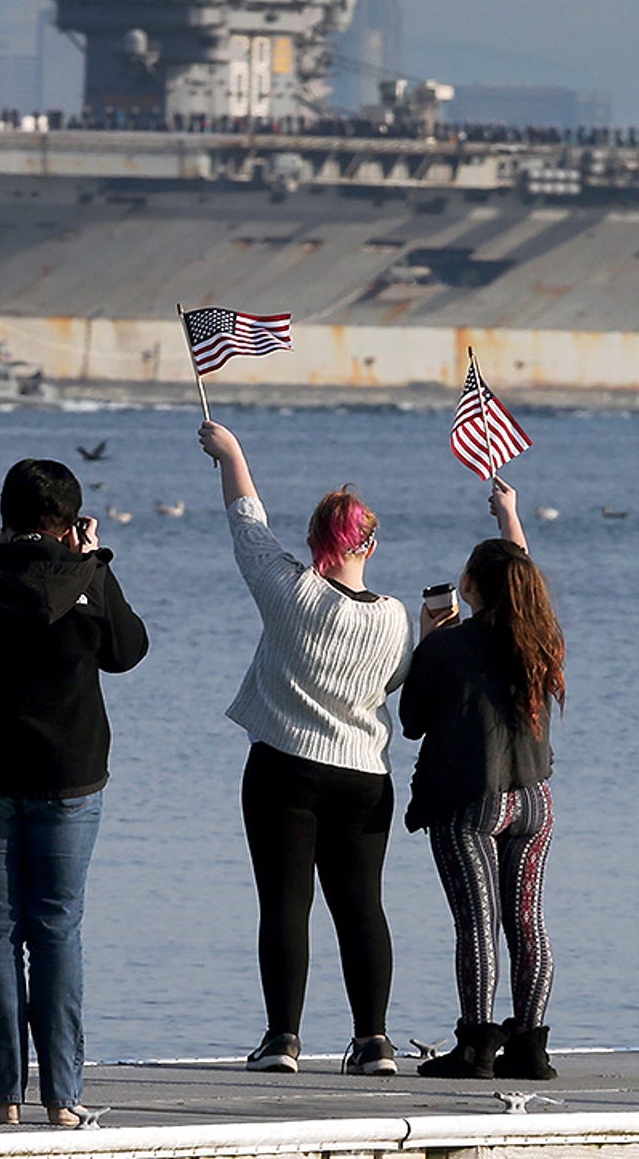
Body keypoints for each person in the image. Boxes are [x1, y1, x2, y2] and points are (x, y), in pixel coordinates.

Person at [196, 419, 416, 1076]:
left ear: (316, 542)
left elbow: (247, 521)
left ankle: (282, 1040)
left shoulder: (286, 588)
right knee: (362, 907)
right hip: (364, 777)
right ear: (369, 545)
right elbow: (396, 681)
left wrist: (232, 450)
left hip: (284, 768)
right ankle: (374, 1041)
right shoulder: (396, 616)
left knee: (285, 904)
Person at [0, 458, 151, 1128]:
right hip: (72, 777)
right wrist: (96, 564)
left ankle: (0, 1095)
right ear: (70, 518)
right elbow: (128, 650)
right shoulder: (87, 573)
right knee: (57, 930)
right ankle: (64, 1099)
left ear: (9, 510)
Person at [400, 479, 566, 1080]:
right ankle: (531, 1046)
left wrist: (425, 641)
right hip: (535, 802)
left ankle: (474, 1047)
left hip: (472, 802)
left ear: (468, 587)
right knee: (527, 921)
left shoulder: (447, 647)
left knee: (475, 924)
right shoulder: (539, 639)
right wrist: (509, 515)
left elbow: (413, 723)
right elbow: (520, 576)